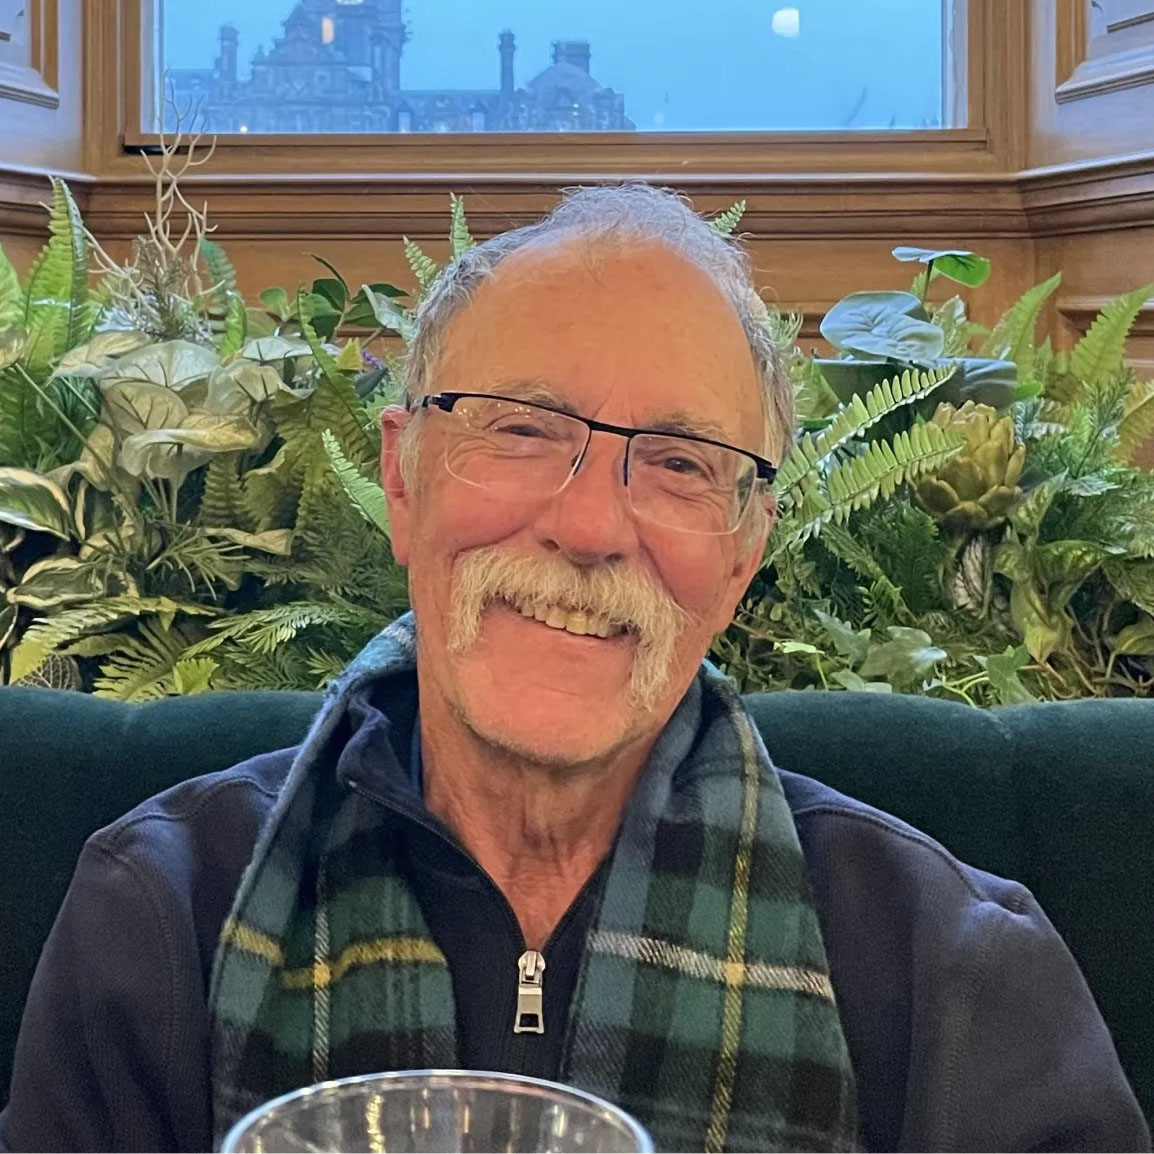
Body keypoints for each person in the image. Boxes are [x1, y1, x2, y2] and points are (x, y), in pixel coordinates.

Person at [1, 184, 1148, 1154]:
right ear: (403, 482)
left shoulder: (956, 977)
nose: (592, 522)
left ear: (742, 550)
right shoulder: (155, 917)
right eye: (517, 427)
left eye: (682, 461)